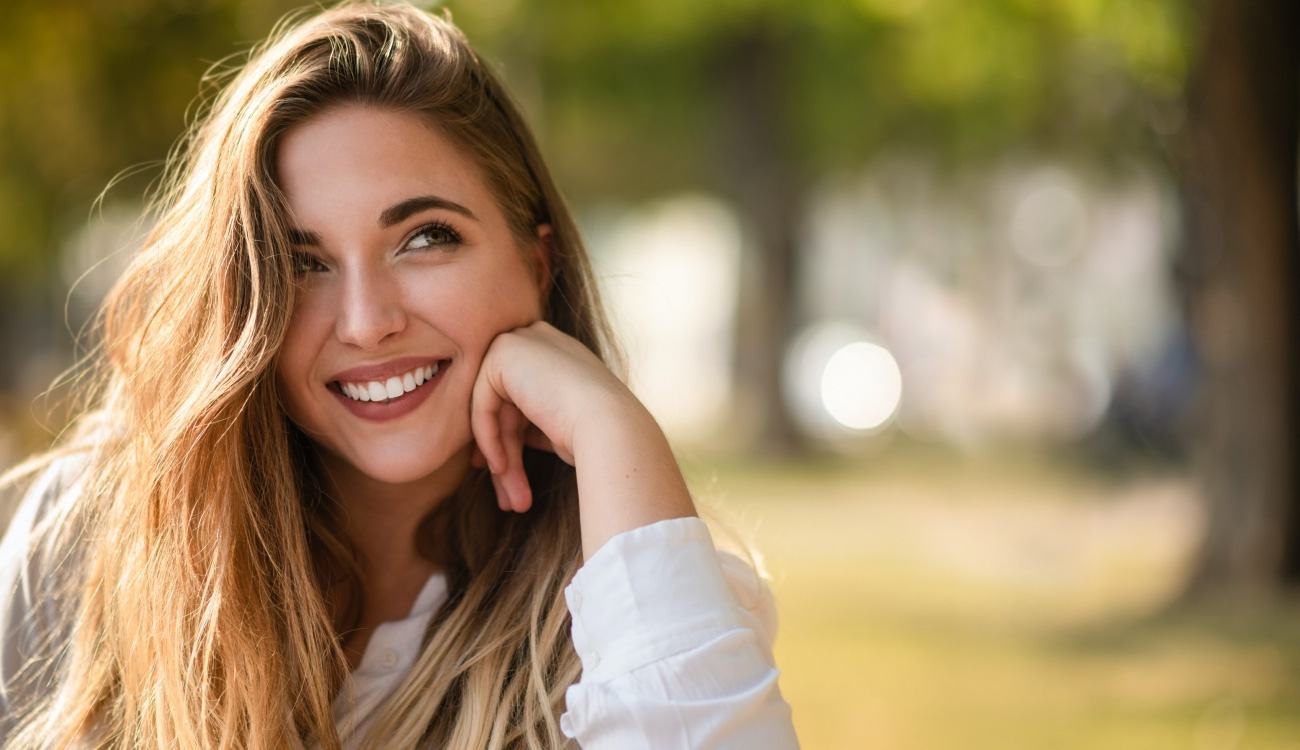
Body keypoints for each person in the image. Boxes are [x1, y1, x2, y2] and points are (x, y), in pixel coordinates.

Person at [0, 2, 798, 748]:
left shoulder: (646, 592)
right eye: (300, 262)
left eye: (425, 239)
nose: (366, 320)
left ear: (535, 260)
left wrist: (609, 425)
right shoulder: (91, 542)